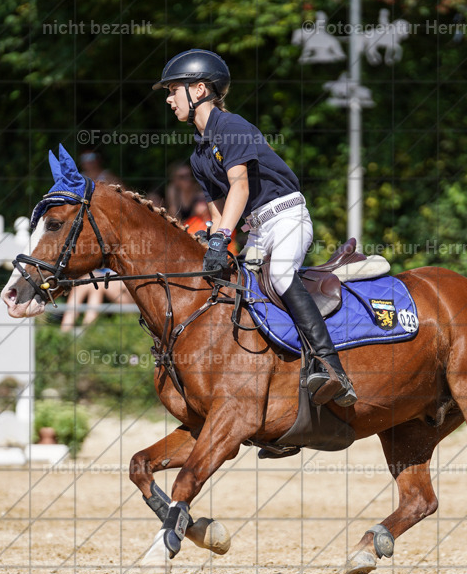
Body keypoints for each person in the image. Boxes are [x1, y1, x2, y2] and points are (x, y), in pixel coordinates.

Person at [152, 49, 356, 407]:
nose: (169, 99)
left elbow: (241, 187)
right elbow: (218, 204)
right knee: (242, 291)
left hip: (287, 214)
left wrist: (221, 238)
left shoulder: (231, 127)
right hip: (258, 229)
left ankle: (331, 366)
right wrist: (211, 238)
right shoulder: (199, 154)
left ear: (199, 89)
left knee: (279, 276)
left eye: (173, 90)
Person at [60, 268, 132, 333]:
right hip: (105, 277)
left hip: (122, 281)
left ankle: (86, 329)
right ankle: (66, 328)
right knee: (81, 285)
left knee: (97, 286)